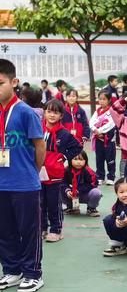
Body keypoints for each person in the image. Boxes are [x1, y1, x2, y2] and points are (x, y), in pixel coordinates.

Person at [0, 59, 46, 292]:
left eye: (0, 83)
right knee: (4, 230)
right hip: (1, 184)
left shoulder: (26, 112)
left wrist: (32, 172)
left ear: (14, 82)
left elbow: (40, 147)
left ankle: (32, 273)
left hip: (24, 183)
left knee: (28, 230)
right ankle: (12, 270)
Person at [41, 99, 83, 242]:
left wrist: (64, 157)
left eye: (56, 112)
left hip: (54, 174)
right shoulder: (38, 129)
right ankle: (42, 229)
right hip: (37, 172)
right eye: (49, 111)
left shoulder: (64, 134)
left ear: (61, 115)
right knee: (40, 203)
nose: (52, 115)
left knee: (53, 203)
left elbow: (77, 147)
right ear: (44, 112)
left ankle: (56, 230)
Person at [63, 150, 102, 217]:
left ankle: (91, 208)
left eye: (81, 160)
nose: (78, 162)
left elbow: (93, 184)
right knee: (57, 189)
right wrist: (68, 190)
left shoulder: (88, 171)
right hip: (71, 195)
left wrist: (79, 190)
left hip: (84, 195)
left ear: (85, 161)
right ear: (70, 160)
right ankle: (71, 207)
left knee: (96, 192)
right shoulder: (66, 170)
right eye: (75, 159)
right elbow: (62, 182)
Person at [89, 90, 116, 185]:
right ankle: (100, 176)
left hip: (108, 139)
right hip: (98, 139)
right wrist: (95, 130)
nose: (101, 101)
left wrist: (101, 131)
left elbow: (111, 124)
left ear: (109, 100)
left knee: (110, 158)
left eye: (104, 99)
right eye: (100, 99)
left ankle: (111, 177)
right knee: (99, 158)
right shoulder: (97, 111)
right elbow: (91, 122)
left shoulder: (111, 111)